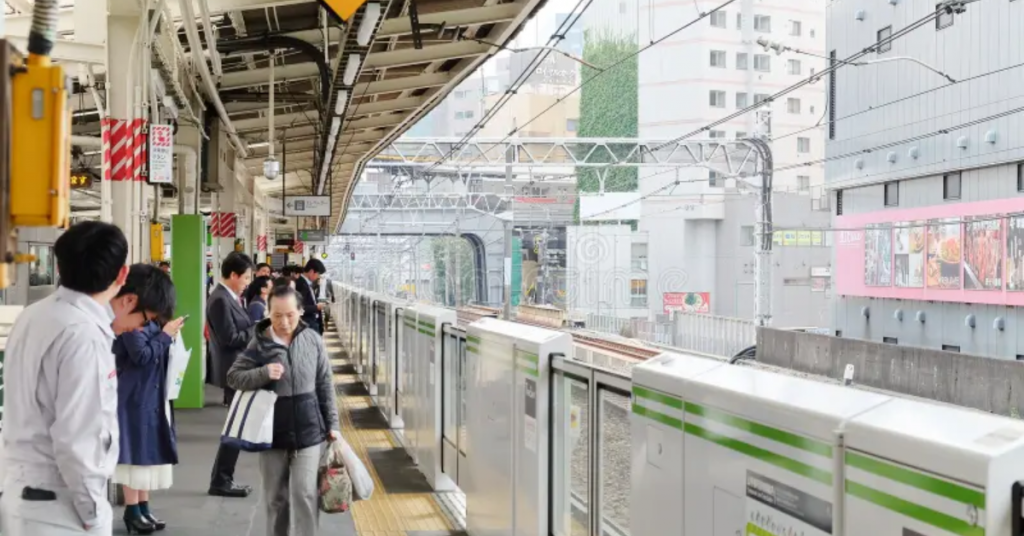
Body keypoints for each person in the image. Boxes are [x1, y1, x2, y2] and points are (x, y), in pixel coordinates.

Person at [1, 221, 129, 535]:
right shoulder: (83, 334)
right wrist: (93, 512)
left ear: (59, 267)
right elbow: (79, 438)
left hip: (19, 492)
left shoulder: (33, 315)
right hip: (60, 505)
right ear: (122, 275)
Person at [226, 286, 340, 536]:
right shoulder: (260, 343)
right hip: (271, 432)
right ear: (268, 313)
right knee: (276, 499)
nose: (284, 322)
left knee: (305, 494)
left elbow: (325, 383)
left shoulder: (312, 339)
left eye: (290, 315)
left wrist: (333, 424)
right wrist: (263, 373)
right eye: (277, 315)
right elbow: (234, 377)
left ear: (300, 311)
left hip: (308, 429)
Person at [109, 265, 185, 534]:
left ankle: (142, 507)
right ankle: (132, 510)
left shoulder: (144, 320)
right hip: (133, 396)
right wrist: (164, 336)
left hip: (150, 393)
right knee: (133, 455)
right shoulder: (130, 324)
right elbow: (141, 356)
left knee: (147, 455)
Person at [206, 251, 255, 498]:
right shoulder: (220, 300)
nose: (248, 282)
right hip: (233, 370)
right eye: (245, 277)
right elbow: (230, 338)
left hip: (237, 369)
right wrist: (258, 328)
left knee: (236, 426)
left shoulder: (228, 298)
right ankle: (221, 480)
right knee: (235, 427)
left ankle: (223, 478)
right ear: (233, 275)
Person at [294, 259, 327, 334]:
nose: (318, 277)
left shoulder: (306, 283)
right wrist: (316, 307)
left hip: (311, 322)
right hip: (307, 323)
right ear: (312, 271)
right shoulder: (300, 284)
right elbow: (299, 308)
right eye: (318, 274)